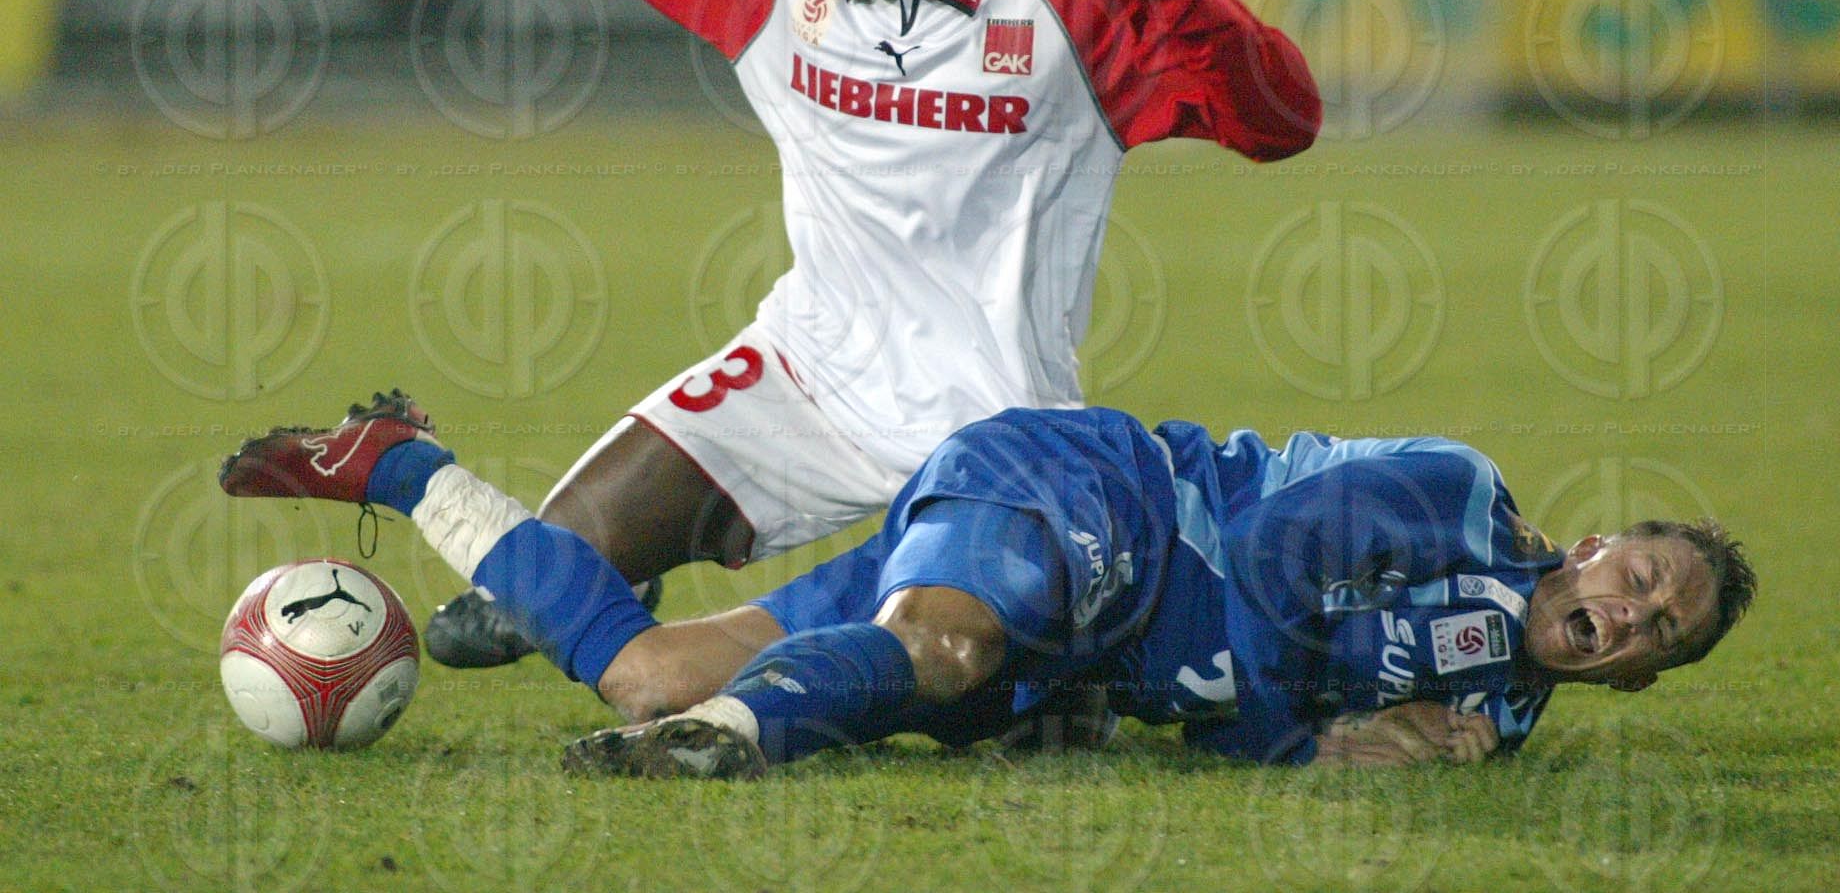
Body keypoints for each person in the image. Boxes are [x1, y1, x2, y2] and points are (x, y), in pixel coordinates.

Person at [425, 0, 1321, 669]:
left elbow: (1279, 120)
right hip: (806, 370)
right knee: (522, 597)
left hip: (993, 431)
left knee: (939, 678)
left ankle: (1060, 650)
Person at [219, 390, 1753, 772]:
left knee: (648, 666)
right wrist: (1300, 742)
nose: (1628, 607)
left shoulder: (1504, 715)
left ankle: (401, 465)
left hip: (1082, 645)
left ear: (1635, 675)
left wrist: (1398, 748)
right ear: (1589, 540)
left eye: (1654, 632)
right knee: (940, 648)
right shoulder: (1461, 496)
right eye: (1640, 570)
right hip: (1103, 502)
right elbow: (1285, 560)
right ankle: (722, 758)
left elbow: (1343, 713)